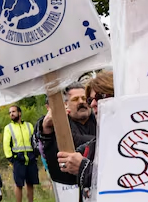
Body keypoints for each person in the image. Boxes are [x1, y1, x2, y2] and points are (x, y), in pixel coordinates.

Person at [39, 72, 114, 201]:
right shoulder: (93, 146)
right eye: (91, 99)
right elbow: (61, 174)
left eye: (100, 96)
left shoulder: (140, 136)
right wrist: (47, 131)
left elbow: (127, 180)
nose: (93, 104)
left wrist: (85, 168)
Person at [2, 105, 38, 202]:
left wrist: (36, 154)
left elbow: (35, 140)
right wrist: (11, 158)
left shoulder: (29, 125)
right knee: (19, 184)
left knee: (30, 183)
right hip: (18, 159)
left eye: (13, 111)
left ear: (19, 113)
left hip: (30, 158)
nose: (11, 114)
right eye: (10, 112)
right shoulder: (8, 128)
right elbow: (6, 144)